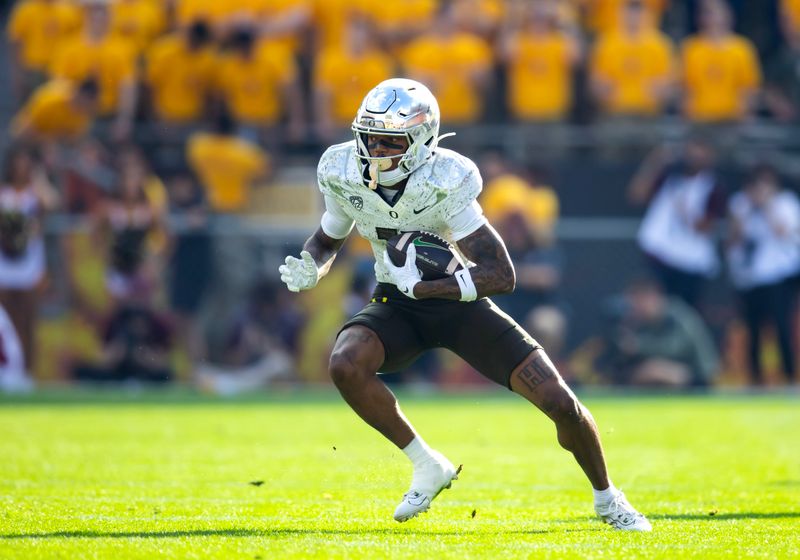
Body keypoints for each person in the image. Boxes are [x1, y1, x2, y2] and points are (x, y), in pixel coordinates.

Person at [278, 78, 651, 530]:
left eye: (389, 141)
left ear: (420, 142)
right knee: (345, 362)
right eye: (369, 137)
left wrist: (431, 288)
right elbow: (327, 238)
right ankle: (426, 464)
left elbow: (500, 273)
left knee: (560, 403)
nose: (375, 149)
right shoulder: (341, 170)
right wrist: (311, 266)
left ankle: (608, 499)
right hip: (396, 301)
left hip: (456, 301)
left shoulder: (444, 180)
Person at [629, 137, 726, 309]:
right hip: (660, 255)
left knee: (685, 314)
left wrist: (686, 214)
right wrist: (654, 162)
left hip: (689, 263)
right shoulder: (669, 177)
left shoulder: (712, 187)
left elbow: (706, 227)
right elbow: (637, 195)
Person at [727, 165, 800, 385]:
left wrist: (766, 205)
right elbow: (734, 239)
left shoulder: (785, 203)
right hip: (749, 277)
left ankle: (789, 377)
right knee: (752, 328)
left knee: (780, 326)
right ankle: (755, 379)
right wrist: (748, 209)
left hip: (778, 274)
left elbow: (782, 232)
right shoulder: (741, 203)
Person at [0, 144, 59, 376]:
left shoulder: (35, 193)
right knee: (5, 321)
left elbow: (53, 202)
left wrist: (39, 177)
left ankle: (27, 372)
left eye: (25, 163)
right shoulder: (3, 193)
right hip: (4, 261)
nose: (20, 167)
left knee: (27, 320)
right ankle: (6, 370)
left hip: (29, 263)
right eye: (17, 162)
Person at [597, 277, 719, 387]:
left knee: (652, 370)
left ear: (652, 297)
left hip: (697, 375)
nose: (635, 307)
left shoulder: (677, 314)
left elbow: (675, 347)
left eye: (638, 301)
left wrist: (637, 345)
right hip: (672, 370)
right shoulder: (640, 320)